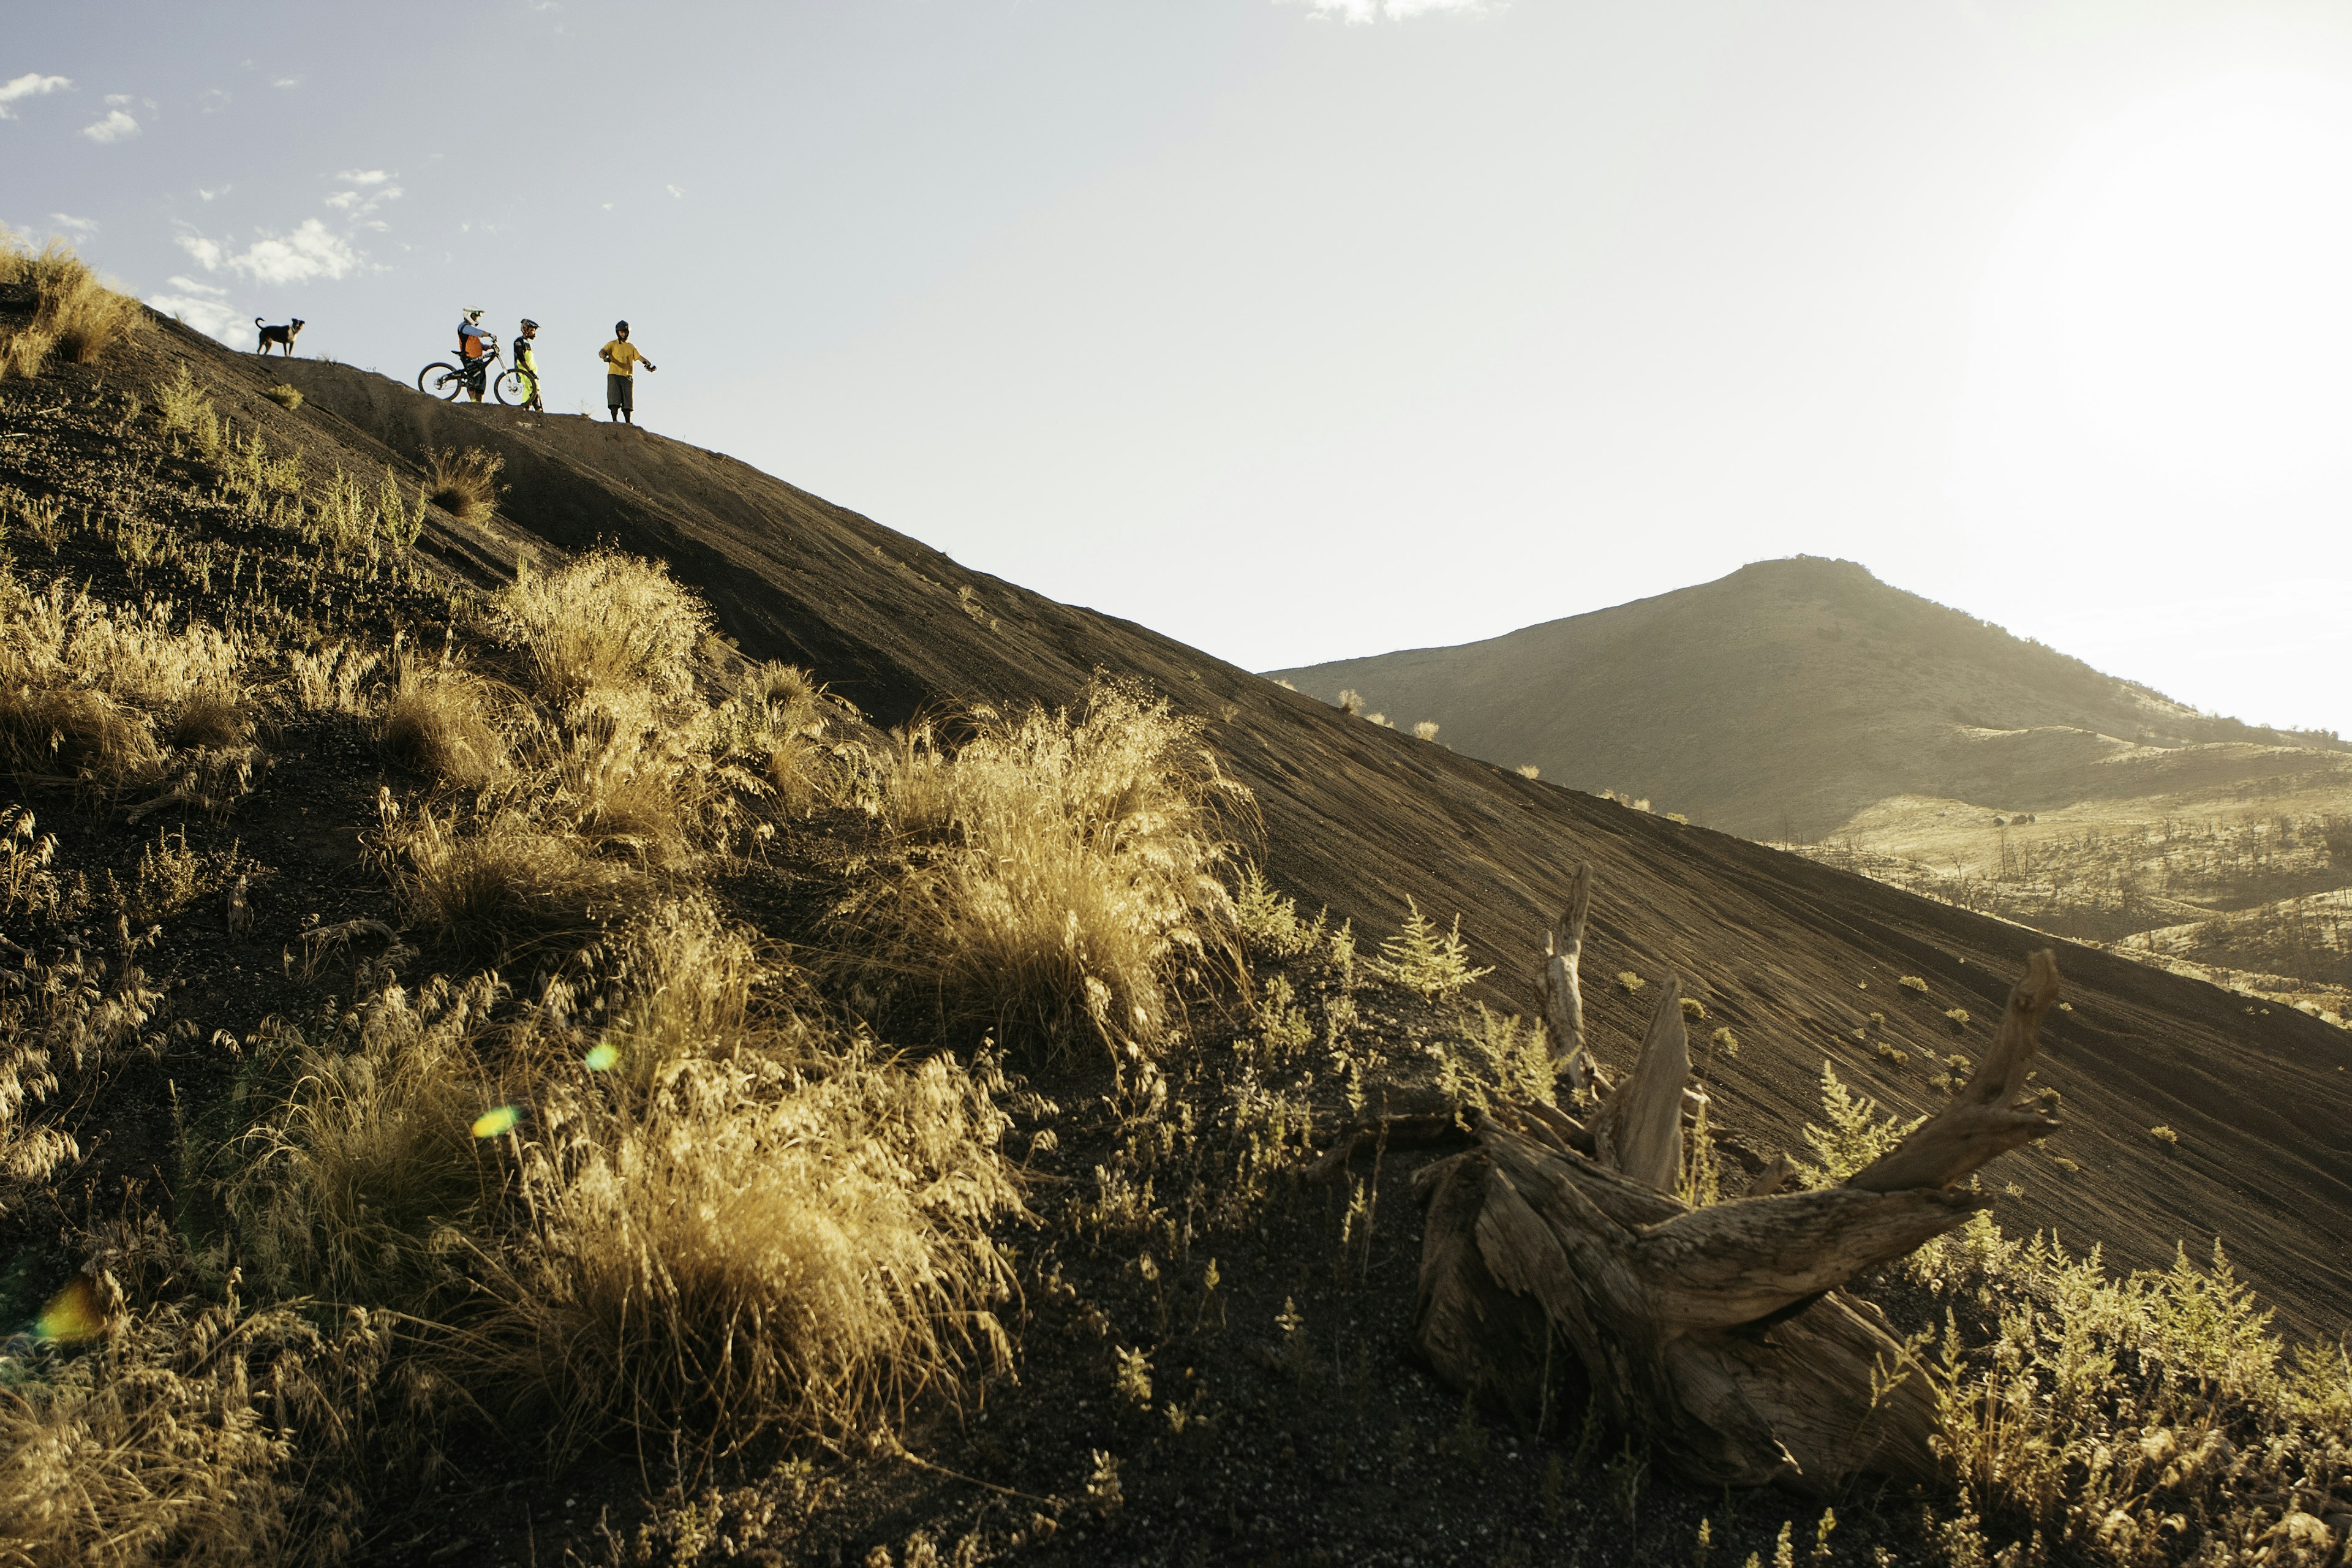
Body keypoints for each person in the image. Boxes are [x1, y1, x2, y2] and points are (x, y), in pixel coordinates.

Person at [598, 320, 655, 424]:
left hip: (627, 376)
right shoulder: (613, 344)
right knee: (614, 399)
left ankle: (628, 423)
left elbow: (639, 357)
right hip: (614, 374)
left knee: (627, 401)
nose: (623, 334)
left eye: (625, 332)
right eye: (621, 332)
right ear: (618, 332)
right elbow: (602, 352)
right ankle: (615, 421)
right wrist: (605, 357)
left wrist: (647, 364)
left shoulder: (631, 347)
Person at [455, 307, 497, 404]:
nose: (476, 318)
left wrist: (489, 347)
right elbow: (477, 332)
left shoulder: (470, 330)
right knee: (473, 380)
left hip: (478, 359)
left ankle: (478, 404)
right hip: (469, 358)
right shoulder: (464, 327)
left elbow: (478, 344)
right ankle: (473, 402)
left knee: (482, 382)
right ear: (468, 315)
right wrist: (490, 335)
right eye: (475, 316)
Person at [513, 318, 545, 412]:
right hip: (524, 370)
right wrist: (529, 371)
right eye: (531, 330)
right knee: (531, 388)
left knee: (534, 389)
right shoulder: (519, 342)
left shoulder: (528, 343)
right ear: (525, 329)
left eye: (534, 331)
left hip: (531, 370)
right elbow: (521, 358)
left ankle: (531, 407)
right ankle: (533, 408)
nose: (533, 333)